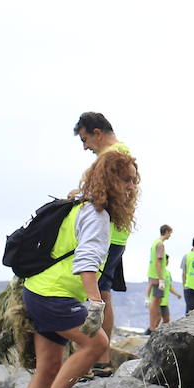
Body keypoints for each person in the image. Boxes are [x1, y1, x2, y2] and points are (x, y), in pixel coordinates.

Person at [22, 147, 139, 388]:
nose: (132, 187)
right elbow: (86, 262)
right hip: (53, 295)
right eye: (126, 180)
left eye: (135, 180)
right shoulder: (96, 215)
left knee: (49, 365)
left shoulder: (80, 206)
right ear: (110, 181)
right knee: (97, 344)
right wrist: (95, 305)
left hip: (38, 291)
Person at [72, 112, 133, 348]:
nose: (85, 147)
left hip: (107, 234)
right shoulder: (119, 152)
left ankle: (98, 356)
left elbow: (110, 194)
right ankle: (100, 356)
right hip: (114, 233)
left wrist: (80, 196)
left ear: (97, 133)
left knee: (99, 293)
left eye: (84, 140)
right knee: (103, 291)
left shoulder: (114, 155)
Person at [146, 224, 174, 333]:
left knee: (157, 301)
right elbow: (158, 262)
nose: (170, 235)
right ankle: (152, 327)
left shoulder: (155, 243)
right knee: (156, 301)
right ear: (166, 231)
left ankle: (152, 326)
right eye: (170, 233)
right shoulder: (160, 245)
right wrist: (160, 278)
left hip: (153, 274)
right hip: (157, 276)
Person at [158, 254, 176, 325]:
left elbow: (170, 287)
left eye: (168, 260)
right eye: (166, 260)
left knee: (166, 320)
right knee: (157, 319)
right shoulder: (157, 271)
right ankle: (149, 333)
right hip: (157, 300)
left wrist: (177, 294)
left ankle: (161, 334)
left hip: (165, 301)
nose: (168, 262)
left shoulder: (168, 273)